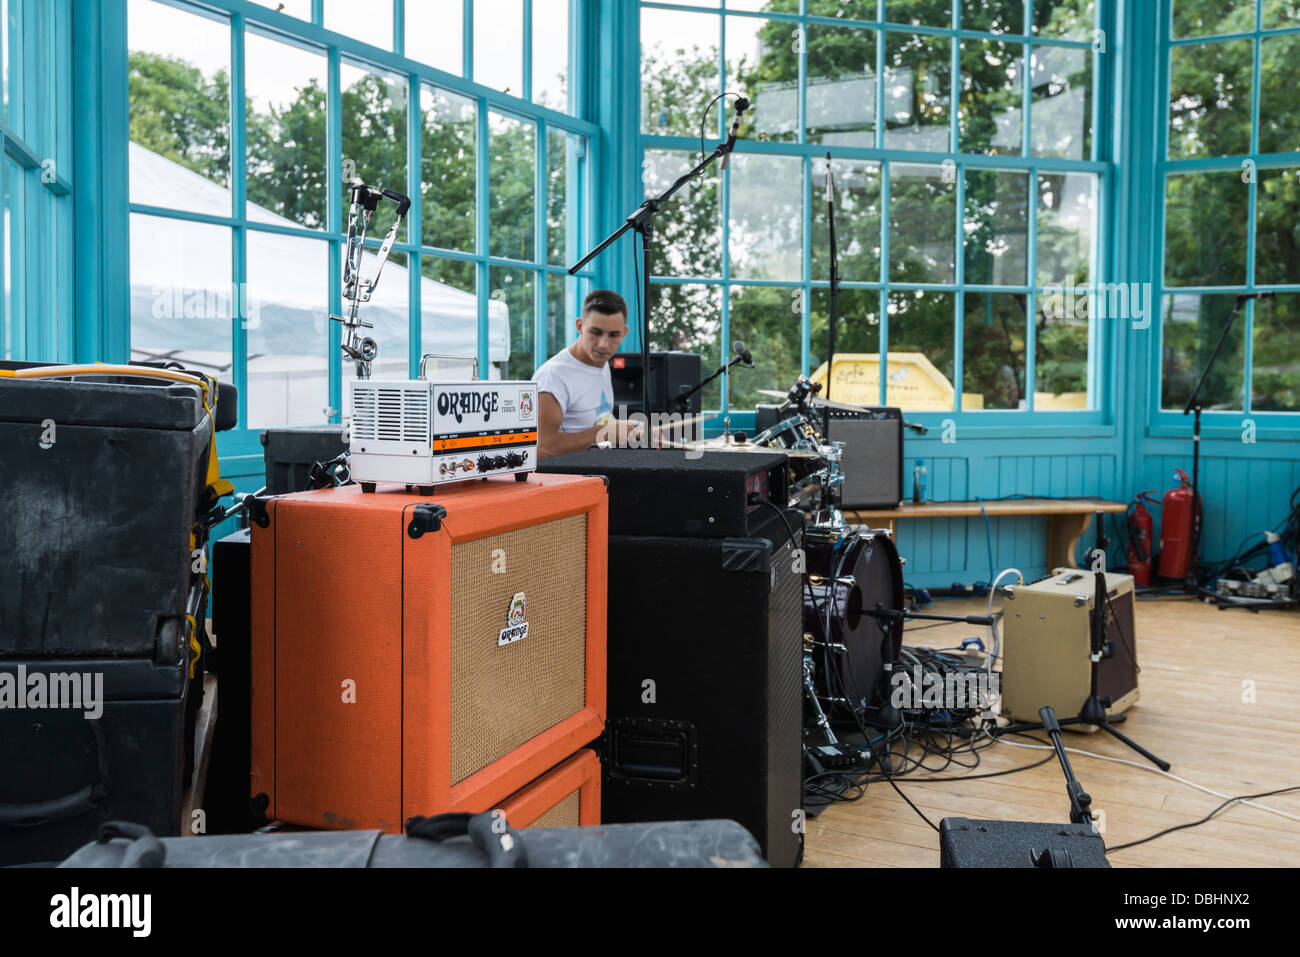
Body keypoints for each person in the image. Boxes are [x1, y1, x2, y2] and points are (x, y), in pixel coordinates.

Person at [534, 290, 652, 459]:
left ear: (624, 333)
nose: (604, 344)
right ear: (580, 326)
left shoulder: (601, 364)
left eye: (614, 335)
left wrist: (634, 427)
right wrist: (604, 432)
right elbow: (541, 447)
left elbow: (593, 421)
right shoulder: (553, 376)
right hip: (564, 480)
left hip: (595, 474)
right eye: (596, 332)